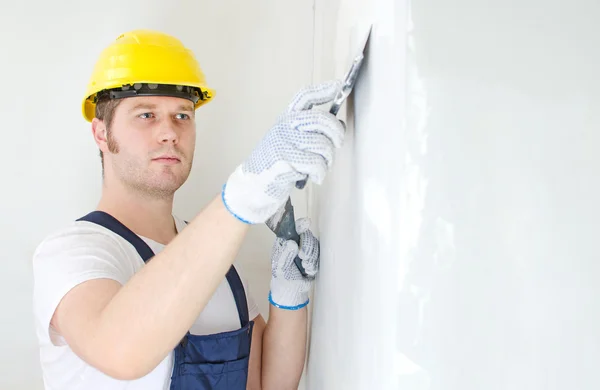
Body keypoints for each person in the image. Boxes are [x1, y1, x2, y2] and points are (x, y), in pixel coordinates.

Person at [31, 29, 345, 390]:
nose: (169, 132)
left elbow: (266, 384)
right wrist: (244, 193)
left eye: (182, 115)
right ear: (101, 134)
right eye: (146, 114)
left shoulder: (218, 262)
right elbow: (119, 350)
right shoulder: (72, 252)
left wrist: (290, 296)